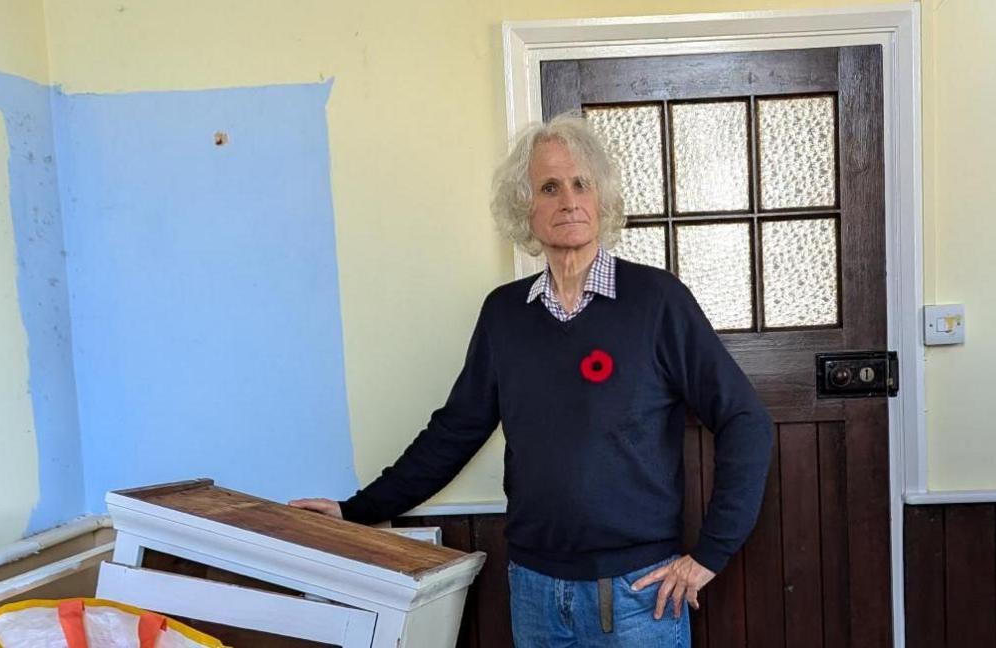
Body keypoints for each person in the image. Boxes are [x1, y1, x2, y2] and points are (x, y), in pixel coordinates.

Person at [291, 114, 773, 647]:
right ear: (527, 208)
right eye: (549, 187)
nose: (568, 200)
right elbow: (453, 433)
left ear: (601, 199)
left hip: (640, 592)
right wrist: (356, 510)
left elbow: (745, 419)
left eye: (580, 183)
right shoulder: (504, 315)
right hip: (536, 592)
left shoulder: (656, 301)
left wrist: (709, 555)